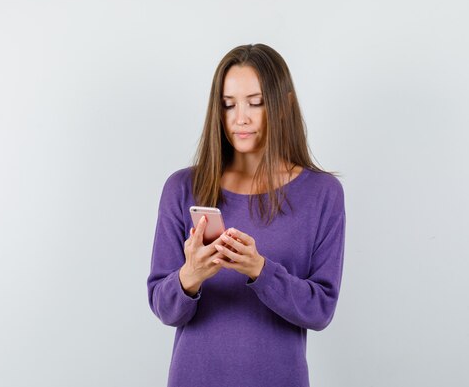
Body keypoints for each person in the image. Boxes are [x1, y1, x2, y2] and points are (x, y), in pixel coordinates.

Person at [146, 43, 346, 387]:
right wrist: (190, 276)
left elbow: (320, 311)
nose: (241, 117)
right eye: (228, 105)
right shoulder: (182, 188)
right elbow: (164, 309)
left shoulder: (322, 193)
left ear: (284, 106)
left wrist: (260, 270)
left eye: (256, 103)